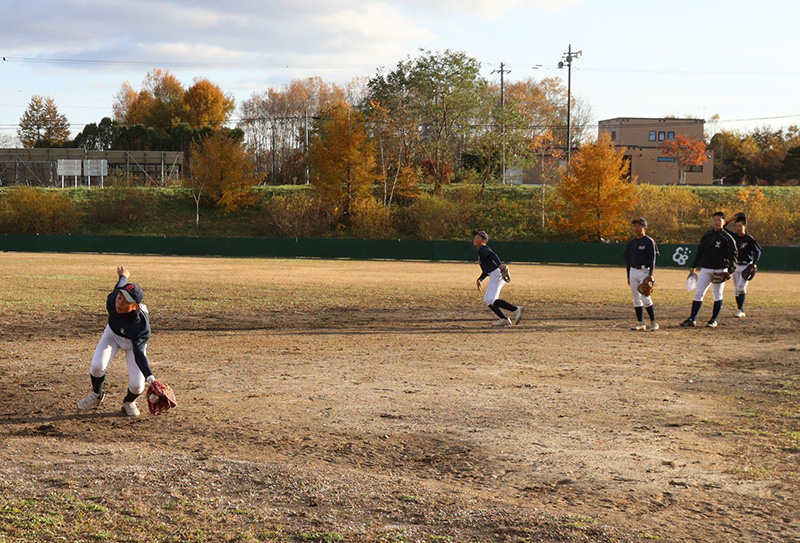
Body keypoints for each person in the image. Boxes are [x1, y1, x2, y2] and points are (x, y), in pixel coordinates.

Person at [77, 266, 158, 417]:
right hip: (112, 334)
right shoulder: (112, 300)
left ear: (136, 306)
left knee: (137, 386)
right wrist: (123, 276)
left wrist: (150, 378)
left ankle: (128, 402)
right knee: (96, 366)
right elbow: (119, 286)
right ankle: (97, 395)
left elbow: (139, 355)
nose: (120, 303)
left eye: (126, 301)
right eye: (120, 297)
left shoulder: (141, 327)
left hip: (133, 343)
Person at [680, 212, 738, 328]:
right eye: (715, 220)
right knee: (698, 293)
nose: (717, 222)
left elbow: (734, 255)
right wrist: (694, 265)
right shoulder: (707, 236)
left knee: (717, 294)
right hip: (705, 269)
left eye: (719, 220)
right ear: (712, 221)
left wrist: (730, 270)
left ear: (723, 222)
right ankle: (692, 318)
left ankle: (713, 320)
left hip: (720, 270)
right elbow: (700, 252)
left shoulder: (727, 238)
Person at [473, 230, 524, 326]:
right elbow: (486, 270)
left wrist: (500, 265)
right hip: (494, 273)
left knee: (491, 299)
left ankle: (516, 309)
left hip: (497, 273)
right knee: (488, 299)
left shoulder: (482, 249)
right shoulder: (481, 251)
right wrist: (480, 279)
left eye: (478, 238)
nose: (475, 239)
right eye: (475, 237)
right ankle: (504, 319)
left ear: (484, 240)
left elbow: (493, 255)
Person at [623, 217, 659, 331]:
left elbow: (652, 259)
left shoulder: (649, 242)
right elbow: (628, 260)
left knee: (646, 297)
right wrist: (628, 275)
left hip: (645, 271)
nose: (637, 228)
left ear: (645, 228)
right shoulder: (632, 243)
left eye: (640, 226)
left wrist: (651, 274)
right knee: (636, 298)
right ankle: (640, 323)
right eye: (636, 226)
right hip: (633, 271)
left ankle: (653, 322)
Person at [731, 213, 762, 318]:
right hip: (735, 266)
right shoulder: (733, 236)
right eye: (736, 226)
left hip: (746, 266)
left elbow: (758, 250)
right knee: (736, 289)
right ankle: (740, 309)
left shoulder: (748, 238)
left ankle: (740, 310)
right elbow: (723, 228)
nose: (738, 228)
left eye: (740, 226)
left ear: (745, 227)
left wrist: (754, 263)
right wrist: (731, 219)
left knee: (741, 287)